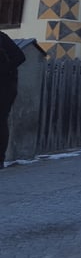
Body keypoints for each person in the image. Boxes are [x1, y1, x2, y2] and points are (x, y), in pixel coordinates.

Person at [0, 30, 25, 169]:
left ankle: (0, 159)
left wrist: (3, 70)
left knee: (0, 120)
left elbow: (20, 57)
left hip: (5, 88)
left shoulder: (2, 38)